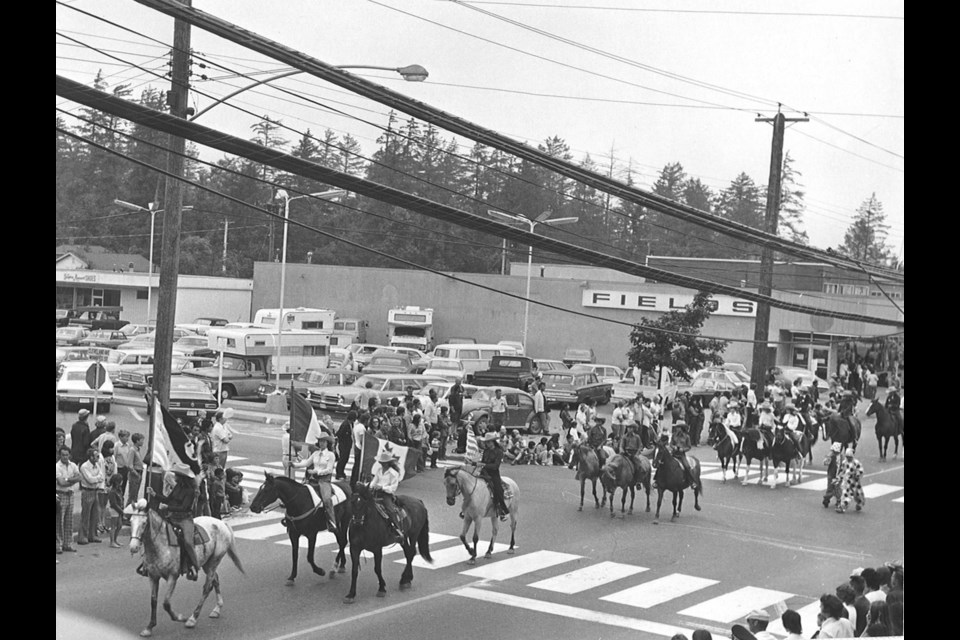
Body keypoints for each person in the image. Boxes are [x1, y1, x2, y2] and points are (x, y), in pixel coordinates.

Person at [146, 462, 200, 581]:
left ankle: (195, 566)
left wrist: (168, 508)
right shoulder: (177, 487)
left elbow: (185, 507)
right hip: (172, 517)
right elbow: (168, 499)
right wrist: (154, 494)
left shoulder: (190, 491)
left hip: (185, 519)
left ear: (182, 477)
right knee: (155, 535)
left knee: (187, 542)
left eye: (176, 474)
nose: (174, 476)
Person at [293, 433, 338, 533]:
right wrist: (294, 464)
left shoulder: (330, 455)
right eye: (320, 441)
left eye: (324, 441)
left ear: (327, 443)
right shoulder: (315, 454)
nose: (321, 443)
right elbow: (306, 463)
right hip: (312, 479)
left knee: (326, 499)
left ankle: (331, 521)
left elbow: (329, 469)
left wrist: (316, 472)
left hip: (324, 480)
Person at [369, 450, 403, 537]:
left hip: (386, 494)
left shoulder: (393, 473)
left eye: (384, 462)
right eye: (381, 462)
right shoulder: (379, 470)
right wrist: (369, 486)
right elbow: (374, 481)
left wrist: (382, 488)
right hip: (375, 492)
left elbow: (393, 488)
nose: (382, 464)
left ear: (388, 463)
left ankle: (396, 528)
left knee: (390, 510)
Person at [477, 431, 508, 520]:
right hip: (484, 472)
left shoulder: (499, 452)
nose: (487, 444)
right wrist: (476, 463)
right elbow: (483, 461)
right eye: (486, 442)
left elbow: (496, 466)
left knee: (498, 490)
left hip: (493, 474)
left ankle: (503, 511)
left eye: (488, 442)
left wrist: (484, 465)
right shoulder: (486, 451)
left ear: (493, 441)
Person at [56, 445, 81, 553]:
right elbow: (61, 483)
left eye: (66, 455)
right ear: (59, 455)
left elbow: (79, 477)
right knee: (59, 521)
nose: (65, 457)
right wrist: (72, 480)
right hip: (61, 495)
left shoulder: (73, 465)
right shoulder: (57, 467)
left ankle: (68, 544)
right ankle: (58, 545)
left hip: (70, 494)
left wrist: (68, 479)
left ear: (69, 455)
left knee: (69, 521)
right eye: (63, 455)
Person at [77, 447, 104, 545]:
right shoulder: (84, 467)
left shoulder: (97, 464)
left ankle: (92, 535)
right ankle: (82, 536)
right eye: (96, 456)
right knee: (86, 515)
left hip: (95, 491)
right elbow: (90, 480)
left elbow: (101, 476)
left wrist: (96, 478)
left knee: (95, 514)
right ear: (91, 457)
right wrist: (97, 478)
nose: (98, 458)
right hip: (87, 491)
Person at [835, 447, 865, 514]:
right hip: (846, 481)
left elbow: (860, 470)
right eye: (847, 457)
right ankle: (842, 506)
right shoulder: (844, 462)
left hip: (854, 481)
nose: (848, 458)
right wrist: (839, 477)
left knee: (857, 493)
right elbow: (842, 471)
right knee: (846, 494)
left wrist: (857, 474)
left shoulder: (856, 463)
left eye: (849, 457)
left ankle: (859, 503)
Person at [670, 423, 697, 490]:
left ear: (681, 429)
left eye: (678, 427)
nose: (676, 429)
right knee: (663, 462)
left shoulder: (687, 437)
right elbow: (671, 443)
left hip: (681, 455)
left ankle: (692, 481)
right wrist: (674, 447)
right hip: (674, 453)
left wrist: (683, 449)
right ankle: (657, 480)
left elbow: (689, 447)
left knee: (687, 466)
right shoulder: (674, 435)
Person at [106, 474, 125, 548]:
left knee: (119, 525)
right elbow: (113, 503)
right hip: (114, 510)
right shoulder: (113, 491)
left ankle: (115, 540)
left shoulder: (119, 489)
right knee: (113, 526)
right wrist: (121, 511)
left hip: (119, 509)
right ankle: (112, 542)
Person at [351, 414, 369, 488]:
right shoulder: (362, 428)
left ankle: (353, 480)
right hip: (360, 447)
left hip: (356, 445)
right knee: (358, 466)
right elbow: (362, 440)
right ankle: (355, 482)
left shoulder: (356, 426)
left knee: (356, 465)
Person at [336, 412, 355, 480]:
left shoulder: (351, 424)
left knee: (346, 459)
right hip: (343, 444)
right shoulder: (345, 424)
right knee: (342, 459)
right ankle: (338, 473)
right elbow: (339, 434)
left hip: (348, 444)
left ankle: (342, 472)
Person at [822, 442, 843, 509]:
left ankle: (838, 500)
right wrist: (829, 456)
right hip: (831, 474)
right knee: (830, 488)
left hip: (838, 475)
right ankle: (827, 499)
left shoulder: (841, 457)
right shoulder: (831, 456)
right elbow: (825, 463)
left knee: (837, 488)